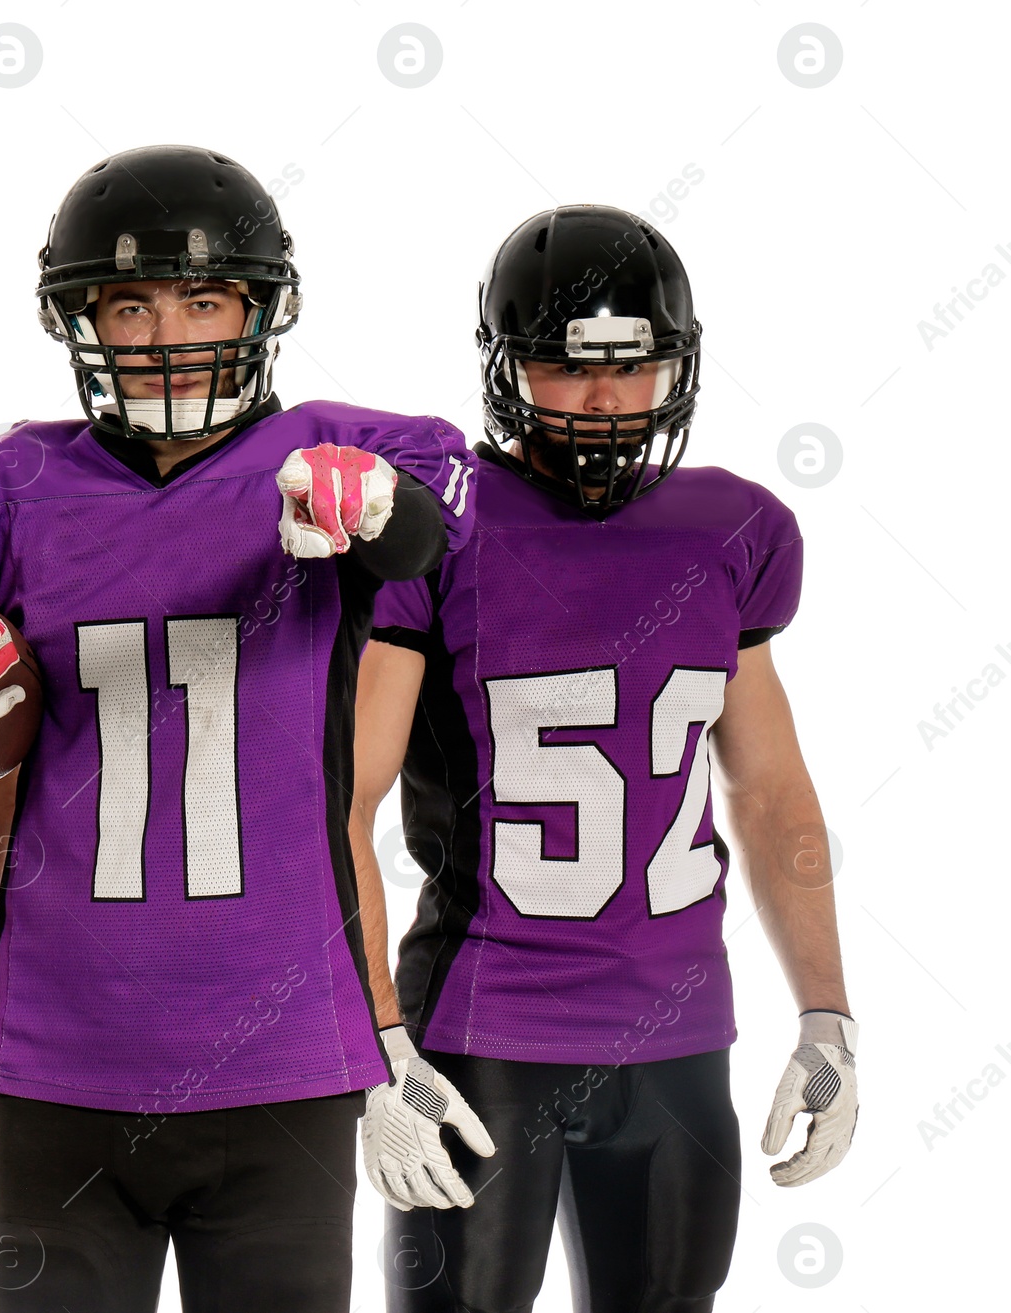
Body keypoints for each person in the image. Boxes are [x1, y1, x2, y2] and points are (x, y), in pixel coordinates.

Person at [0, 143, 475, 1313]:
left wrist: (371, 508)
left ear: (257, 309)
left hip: (285, 1056)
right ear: (79, 318)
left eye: (202, 299)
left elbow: (426, 537)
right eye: (129, 303)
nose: (165, 334)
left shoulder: (343, 454)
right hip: (58, 1058)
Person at [354, 204, 858, 1312]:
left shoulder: (734, 528)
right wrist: (375, 1036)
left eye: (636, 367)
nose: (602, 398)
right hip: (482, 1034)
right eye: (565, 365)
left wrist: (827, 1012)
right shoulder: (440, 523)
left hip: (678, 1034)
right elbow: (344, 801)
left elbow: (769, 793)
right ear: (505, 366)